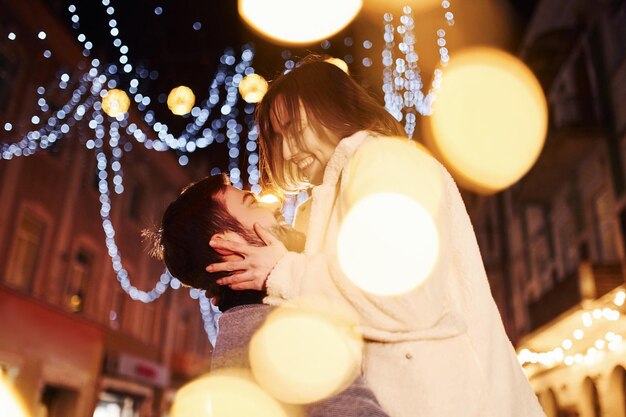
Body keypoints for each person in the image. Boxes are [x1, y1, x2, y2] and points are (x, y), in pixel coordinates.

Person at [207, 56, 546, 417]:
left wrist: (284, 272)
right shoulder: (323, 201)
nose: (288, 151)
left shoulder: (383, 162)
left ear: (331, 107)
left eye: (294, 128)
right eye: (279, 139)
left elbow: (405, 298)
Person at [148, 174, 390, 417]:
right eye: (252, 203)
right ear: (227, 244)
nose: (275, 205)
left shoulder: (245, 326)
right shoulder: (278, 332)